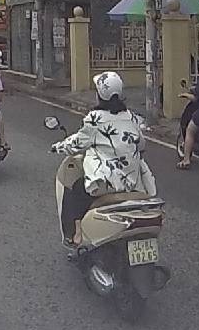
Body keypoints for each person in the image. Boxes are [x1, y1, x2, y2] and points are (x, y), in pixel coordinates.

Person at [52, 71, 157, 247]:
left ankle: (77, 233)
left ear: (99, 95)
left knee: (76, 189)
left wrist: (58, 147)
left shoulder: (94, 119)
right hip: (133, 182)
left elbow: (77, 142)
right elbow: (141, 145)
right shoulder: (132, 117)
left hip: (106, 185)